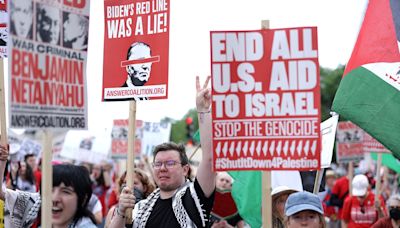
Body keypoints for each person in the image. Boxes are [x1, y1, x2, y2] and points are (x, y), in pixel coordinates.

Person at [110, 76, 215, 227]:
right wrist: (121, 211)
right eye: (158, 164)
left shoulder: (195, 198)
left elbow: (210, 158)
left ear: (185, 169)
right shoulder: (140, 208)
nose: (162, 168)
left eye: (170, 163)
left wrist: (203, 111)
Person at [0, 144, 97, 227]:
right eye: (50, 189)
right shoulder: (37, 202)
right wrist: (2, 161)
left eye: (66, 192)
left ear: (83, 199)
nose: (54, 199)